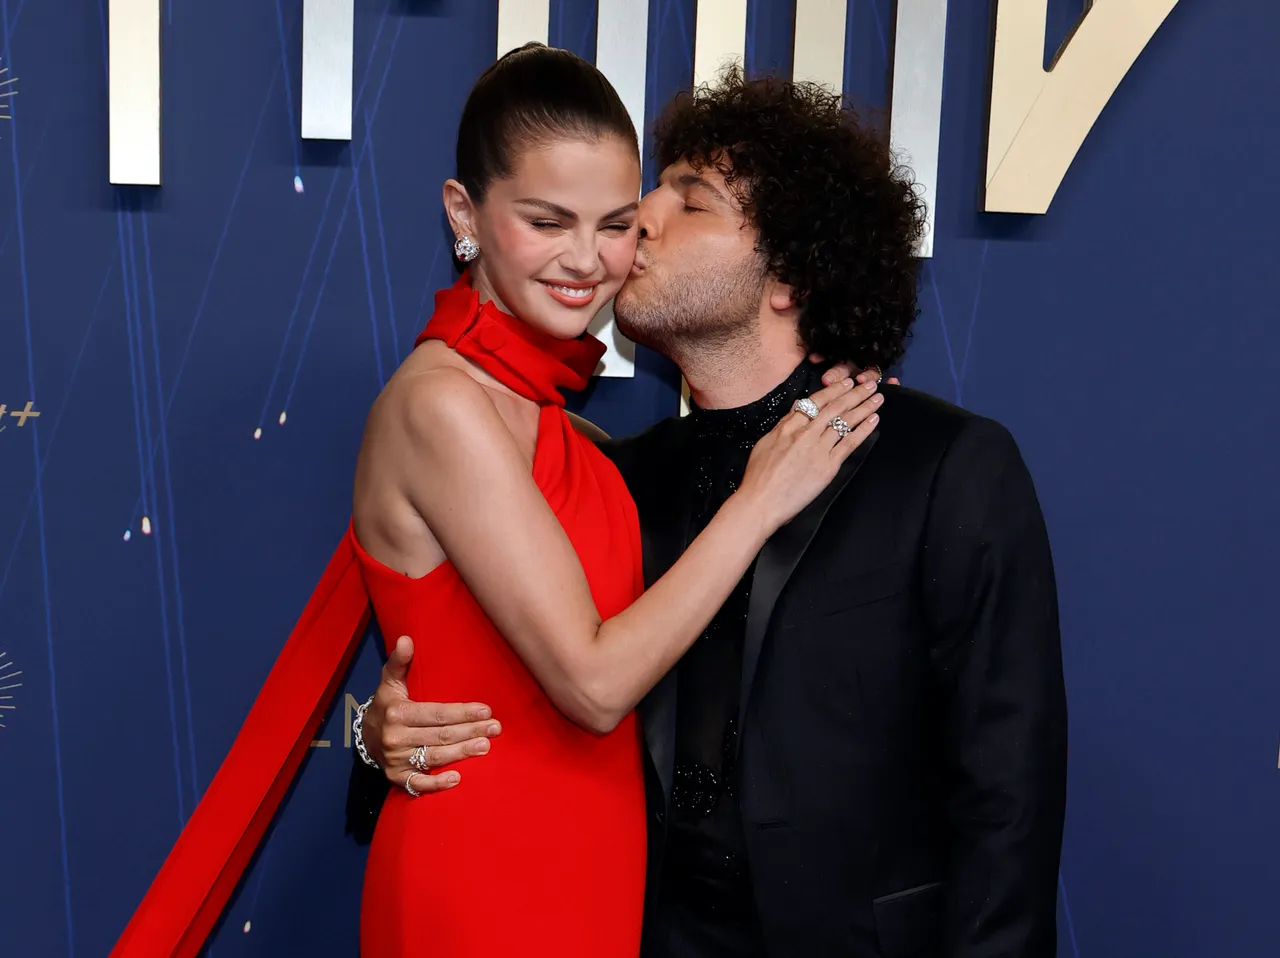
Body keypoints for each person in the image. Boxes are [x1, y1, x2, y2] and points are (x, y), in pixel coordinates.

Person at [108, 45, 882, 958]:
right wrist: (759, 501)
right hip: (484, 880)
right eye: (547, 221)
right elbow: (593, 686)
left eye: (615, 224)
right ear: (463, 213)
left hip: (598, 874)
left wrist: (374, 733)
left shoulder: (576, 436)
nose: (587, 261)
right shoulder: (443, 404)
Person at [351, 68, 1068, 957]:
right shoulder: (620, 477)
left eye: (690, 201)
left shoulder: (943, 469)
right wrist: (378, 739)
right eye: (644, 196)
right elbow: (507, 678)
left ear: (791, 274)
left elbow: (1011, 798)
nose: (639, 219)